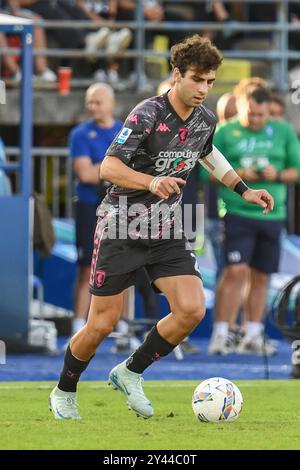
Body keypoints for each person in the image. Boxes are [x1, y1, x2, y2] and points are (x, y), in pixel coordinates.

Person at [49, 35, 274, 420]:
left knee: (191, 309)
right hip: (121, 224)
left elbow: (207, 152)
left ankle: (130, 371)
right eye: (197, 79)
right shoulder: (146, 114)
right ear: (177, 75)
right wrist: (151, 182)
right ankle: (65, 389)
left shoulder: (206, 118)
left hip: (167, 226)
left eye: (210, 81)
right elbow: (108, 167)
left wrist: (243, 189)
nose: (204, 89)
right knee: (102, 323)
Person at [208, 83, 300, 356]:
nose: (256, 120)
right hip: (237, 211)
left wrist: (277, 174)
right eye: (252, 114)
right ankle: (221, 332)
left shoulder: (282, 130)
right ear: (242, 106)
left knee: (261, 275)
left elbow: (296, 170)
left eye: (261, 115)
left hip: (273, 212)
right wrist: (236, 174)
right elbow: (206, 173)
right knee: (235, 271)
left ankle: (253, 332)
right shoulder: (225, 131)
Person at [69, 83, 122, 336]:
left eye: (98, 101)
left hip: (121, 207)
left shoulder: (125, 130)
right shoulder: (80, 134)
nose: (93, 107)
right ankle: (78, 324)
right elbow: (85, 174)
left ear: (111, 103)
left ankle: (120, 324)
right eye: (90, 102)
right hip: (90, 206)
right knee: (86, 267)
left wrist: (103, 170)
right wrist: (114, 169)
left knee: (124, 267)